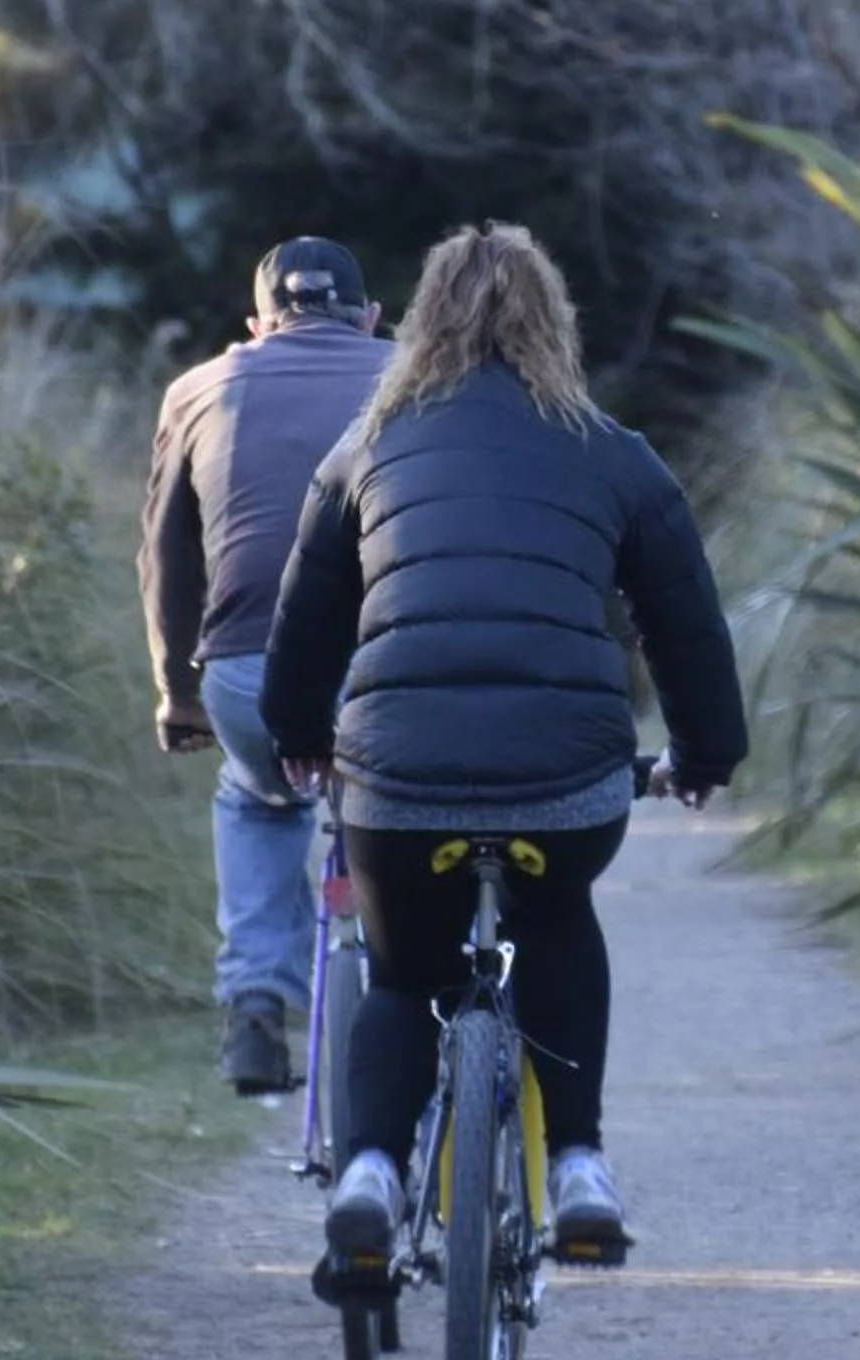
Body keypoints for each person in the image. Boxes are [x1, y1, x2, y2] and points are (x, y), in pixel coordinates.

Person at [261, 220, 747, 1258]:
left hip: (396, 778)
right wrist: (703, 754)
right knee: (558, 912)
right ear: (555, 322)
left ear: (419, 323)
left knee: (403, 974)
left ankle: (369, 1171)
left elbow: (306, 617)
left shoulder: (366, 448)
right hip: (563, 774)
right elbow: (687, 626)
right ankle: (579, 1164)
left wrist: (301, 735)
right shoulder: (615, 452)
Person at [140, 236, 391, 1094]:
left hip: (251, 672)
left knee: (258, 796)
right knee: (420, 808)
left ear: (255, 325)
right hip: (399, 668)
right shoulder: (418, 381)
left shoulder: (200, 387)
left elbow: (167, 559)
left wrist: (179, 694)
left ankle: (253, 1006)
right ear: (370, 319)